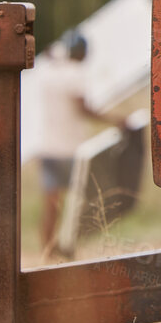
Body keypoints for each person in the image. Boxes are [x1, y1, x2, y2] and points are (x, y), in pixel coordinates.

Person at [33, 29, 94, 259]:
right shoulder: (76, 74)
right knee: (75, 204)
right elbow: (83, 108)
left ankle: (47, 249)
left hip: (47, 147)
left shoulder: (49, 71)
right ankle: (68, 248)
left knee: (50, 204)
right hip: (70, 149)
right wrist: (117, 120)